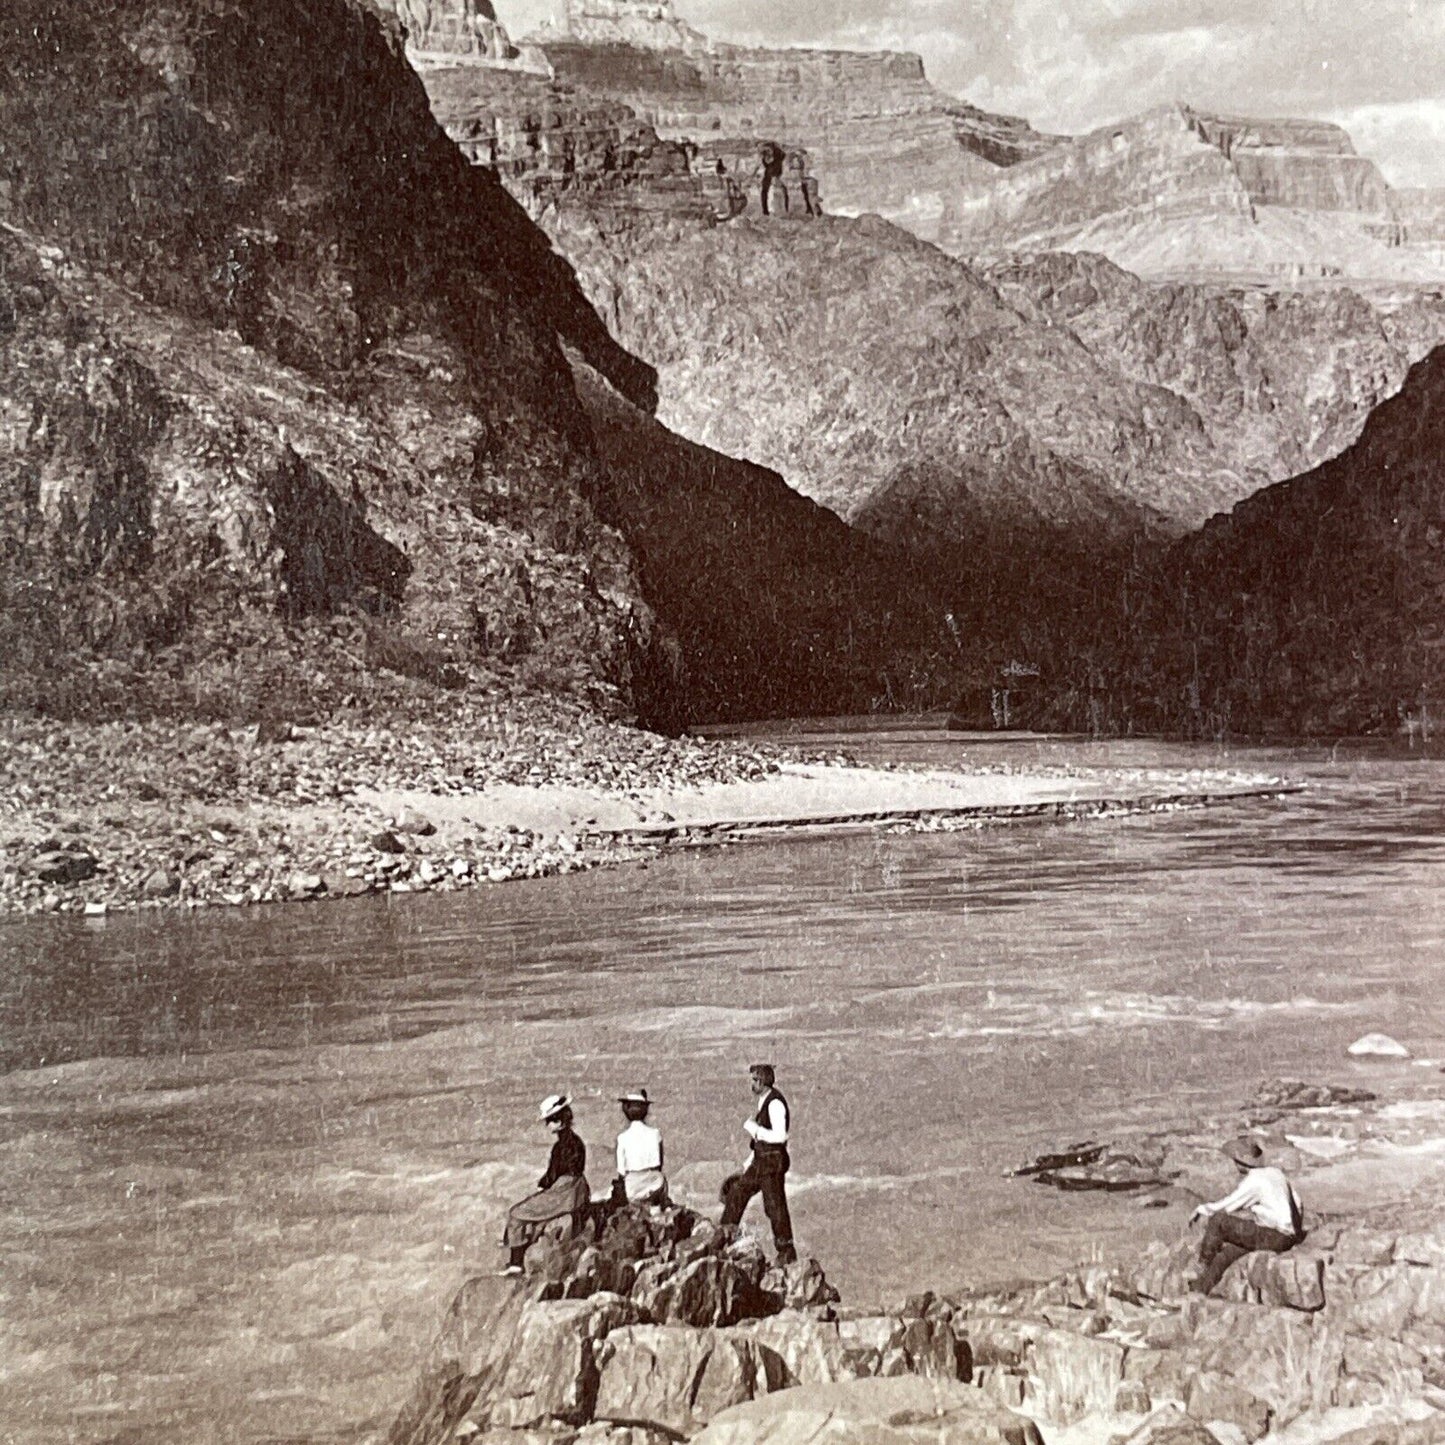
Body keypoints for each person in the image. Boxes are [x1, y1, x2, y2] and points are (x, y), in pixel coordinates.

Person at [1190, 1136, 1304, 1294]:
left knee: (1218, 1221)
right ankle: (1201, 1288)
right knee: (1227, 1254)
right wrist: (1295, 1233)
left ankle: (1202, 1265)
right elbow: (1298, 1204)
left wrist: (1203, 1209)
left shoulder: (1254, 1180)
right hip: (1286, 1237)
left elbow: (1229, 1205)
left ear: (1240, 1163)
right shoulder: (1276, 1173)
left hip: (1273, 1236)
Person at [501, 1094, 590, 1274]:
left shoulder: (561, 1146)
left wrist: (542, 1187)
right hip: (578, 1190)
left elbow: (552, 1175)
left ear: (558, 1122)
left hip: (564, 1192)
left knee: (516, 1213)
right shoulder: (577, 1141)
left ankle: (516, 1263)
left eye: (549, 1120)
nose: (547, 1124)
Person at [720, 1063, 796, 1265]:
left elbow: (780, 1136)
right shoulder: (765, 1101)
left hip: (771, 1163)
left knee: (774, 1206)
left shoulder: (774, 1103)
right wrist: (748, 1164)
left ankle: (786, 1250)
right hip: (762, 1161)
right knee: (738, 1191)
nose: (752, 1084)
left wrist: (754, 1130)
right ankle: (724, 1235)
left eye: (755, 1080)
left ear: (763, 1081)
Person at [612, 1086, 667, 1205]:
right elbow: (659, 1164)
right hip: (654, 1184)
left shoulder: (622, 1138)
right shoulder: (655, 1134)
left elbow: (621, 1171)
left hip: (632, 1188)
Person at [757, 141, 785, 216]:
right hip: (768, 177)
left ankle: (772, 211)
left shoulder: (778, 158)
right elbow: (766, 164)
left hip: (773, 177)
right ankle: (766, 211)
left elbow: (777, 168)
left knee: (773, 194)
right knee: (765, 193)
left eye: (769, 150)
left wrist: (775, 176)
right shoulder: (768, 157)